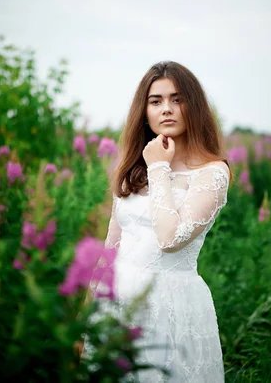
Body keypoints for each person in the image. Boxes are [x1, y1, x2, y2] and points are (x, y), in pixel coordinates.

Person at [82, 61, 232, 382]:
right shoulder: (132, 167)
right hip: (118, 302)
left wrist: (159, 168)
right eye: (156, 101)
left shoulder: (212, 173)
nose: (167, 109)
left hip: (172, 308)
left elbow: (170, 238)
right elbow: (113, 243)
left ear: (195, 107)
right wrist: (88, 309)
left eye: (178, 99)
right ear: (144, 110)